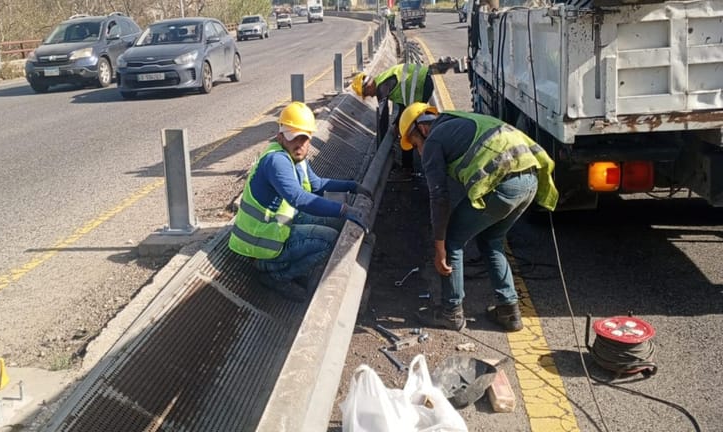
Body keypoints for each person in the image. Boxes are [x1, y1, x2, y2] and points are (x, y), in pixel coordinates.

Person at [398, 103, 558, 332]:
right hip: (530, 180)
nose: (419, 152)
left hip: (504, 185)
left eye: (415, 145)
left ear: (422, 129)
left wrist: (439, 246)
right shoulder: (460, 120)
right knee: (491, 239)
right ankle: (509, 311)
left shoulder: (433, 141)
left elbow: (439, 197)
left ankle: (451, 312)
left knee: (452, 240)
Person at [228, 101, 372, 302]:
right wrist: (344, 209)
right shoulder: (276, 161)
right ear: (281, 136)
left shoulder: (296, 157)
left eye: (304, 138)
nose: (300, 143)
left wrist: (352, 186)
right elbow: (299, 198)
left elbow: (316, 184)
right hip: (261, 243)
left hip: (278, 226)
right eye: (294, 137)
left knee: (337, 223)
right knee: (329, 239)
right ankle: (276, 275)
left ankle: (293, 266)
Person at [352, 63, 434, 180]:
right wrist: (396, 123)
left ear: (368, 86)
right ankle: (426, 156)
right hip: (423, 82)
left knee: (408, 130)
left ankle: (408, 168)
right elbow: (402, 104)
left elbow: (383, 117)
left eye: (366, 94)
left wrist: (381, 146)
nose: (370, 96)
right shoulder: (382, 80)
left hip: (421, 84)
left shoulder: (381, 88)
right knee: (410, 124)